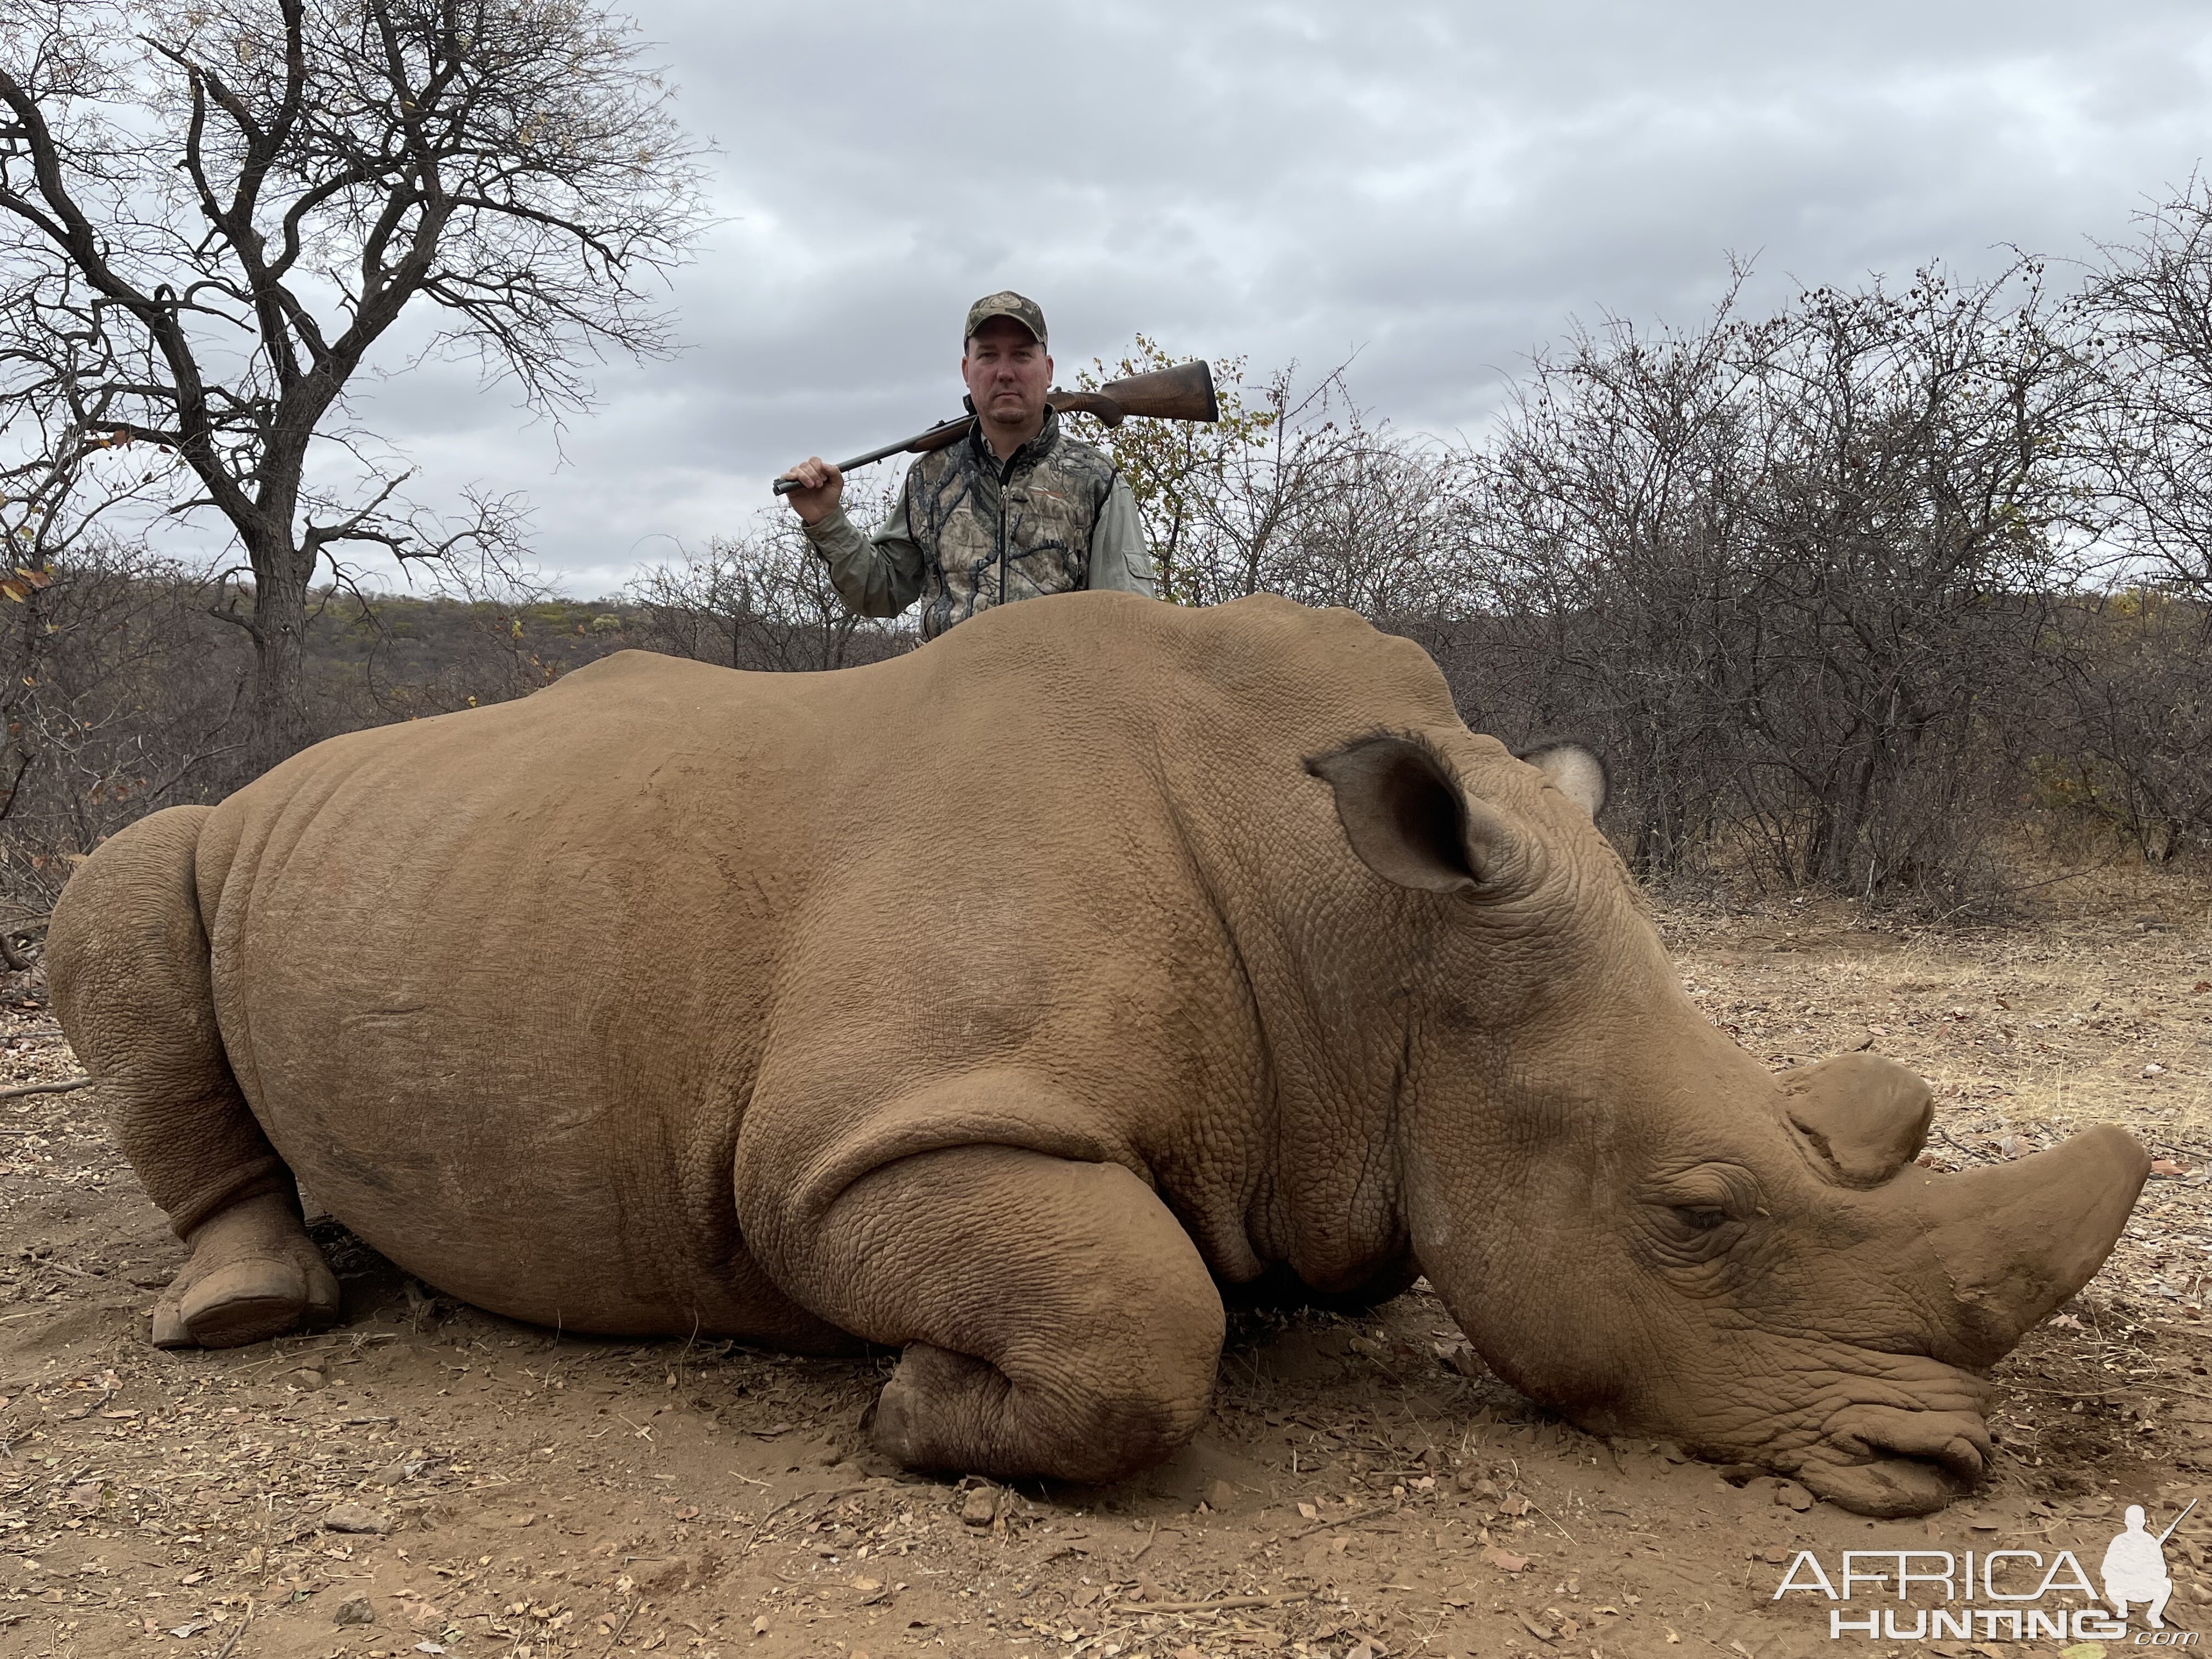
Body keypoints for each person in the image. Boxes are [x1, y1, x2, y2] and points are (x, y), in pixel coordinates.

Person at [780, 292, 1156, 639]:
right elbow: (882, 593)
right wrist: (826, 520)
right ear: (966, 369)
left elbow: (1129, 621)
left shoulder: (1097, 479)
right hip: (945, 704)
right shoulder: (929, 477)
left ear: (1049, 369)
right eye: (988, 355)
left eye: (1022, 355)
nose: (1004, 372)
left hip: (1056, 703)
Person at [2101, 1504, 2174, 1628]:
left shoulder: (2151, 1542)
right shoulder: (2119, 1541)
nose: (2134, 1525)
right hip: (2123, 1586)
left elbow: (2162, 1570)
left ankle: (2154, 1615)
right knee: (2109, 1584)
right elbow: (2106, 1569)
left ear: (2144, 1522)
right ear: (2126, 1522)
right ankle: (2122, 1607)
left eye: (2138, 1522)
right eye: (2131, 1522)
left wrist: (2146, 1570)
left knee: (2167, 1584)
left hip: (2144, 1587)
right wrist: (2124, 1570)